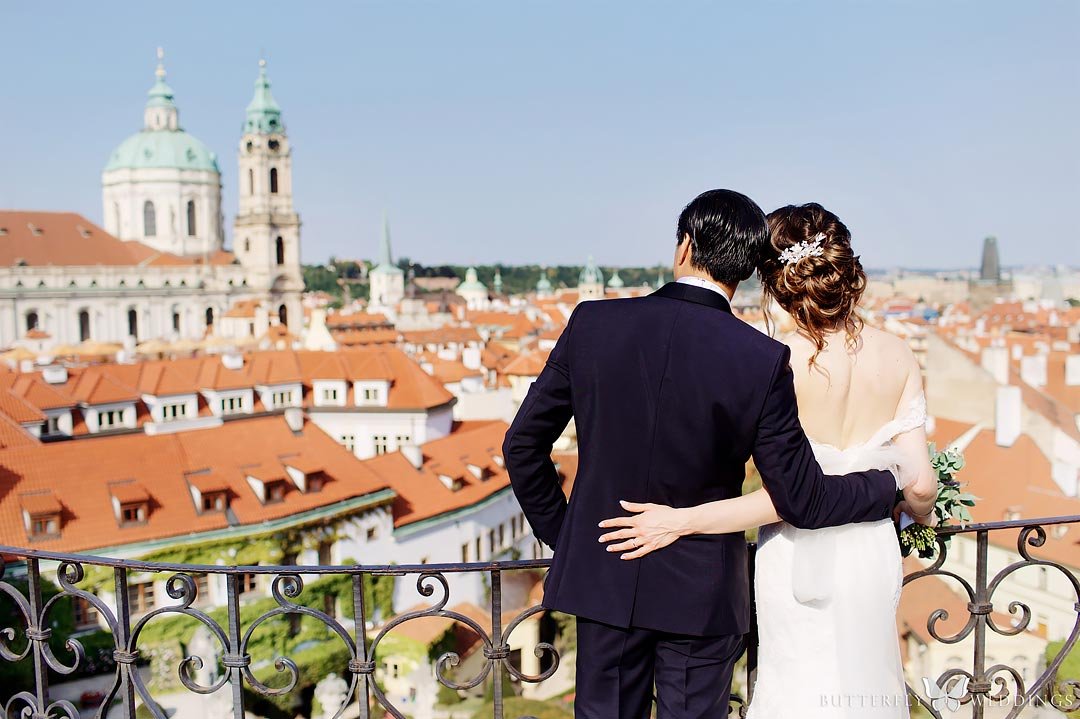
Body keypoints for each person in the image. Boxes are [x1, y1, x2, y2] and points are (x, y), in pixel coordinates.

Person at [503, 190, 907, 719]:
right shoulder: (760, 359)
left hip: (604, 575)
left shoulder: (593, 325)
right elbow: (802, 498)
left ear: (684, 246)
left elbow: (522, 446)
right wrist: (886, 483)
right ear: (744, 270)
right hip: (703, 593)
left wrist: (570, 537)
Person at [598, 202, 938, 717]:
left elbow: (786, 500)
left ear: (774, 279)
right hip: (870, 554)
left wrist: (683, 520)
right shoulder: (898, 354)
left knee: (797, 685)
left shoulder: (770, 359)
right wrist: (919, 516)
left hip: (796, 557)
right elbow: (920, 486)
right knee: (865, 685)